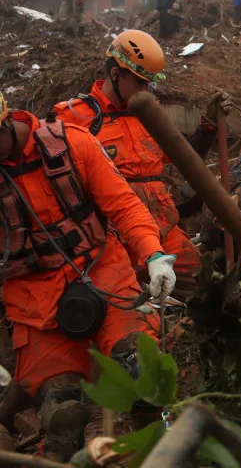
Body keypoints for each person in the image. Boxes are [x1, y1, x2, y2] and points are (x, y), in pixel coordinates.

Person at [0, 90, 175, 461]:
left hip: (102, 269)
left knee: (144, 370)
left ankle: (160, 453)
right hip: (34, 300)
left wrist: (154, 253)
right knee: (62, 413)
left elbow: (123, 203)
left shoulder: (70, 143)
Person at [52, 30, 233, 299]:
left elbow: (186, 157)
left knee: (206, 290)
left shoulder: (150, 113)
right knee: (121, 309)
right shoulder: (74, 117)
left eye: (149, 84)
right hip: (111, 240)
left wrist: (208, 125)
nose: (145, 90)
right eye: (139, 82)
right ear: (116, 74)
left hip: (164, 229)